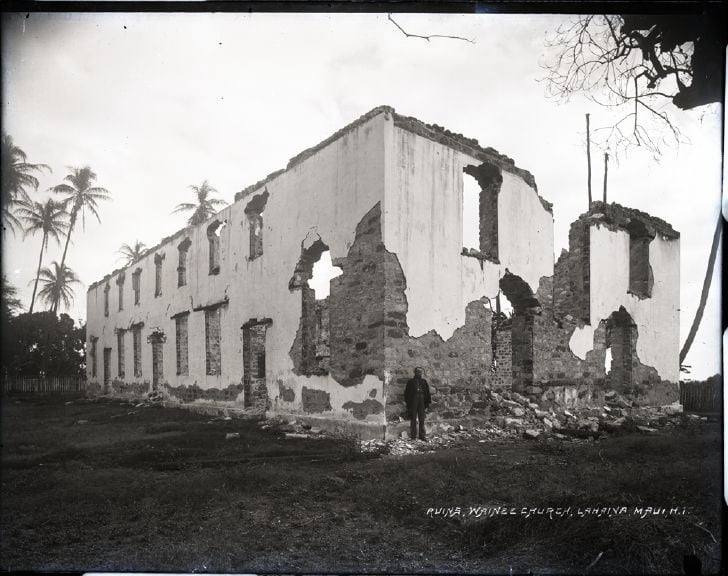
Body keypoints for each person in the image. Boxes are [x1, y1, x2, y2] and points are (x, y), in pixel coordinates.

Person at [404, 367, 431, 441]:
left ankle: (422, 436)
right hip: (413, 401)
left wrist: (427, 403)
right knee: (413, 418)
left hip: (422, 401)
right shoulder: (410, 382)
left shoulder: (424, 382)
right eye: (418, 371)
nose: (419, 373)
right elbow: (406, 393)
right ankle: (413, 436)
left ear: (422, 373)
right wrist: (408, 403)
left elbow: (427, 393)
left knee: (422, 419)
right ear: (415, 372)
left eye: (420, 372)